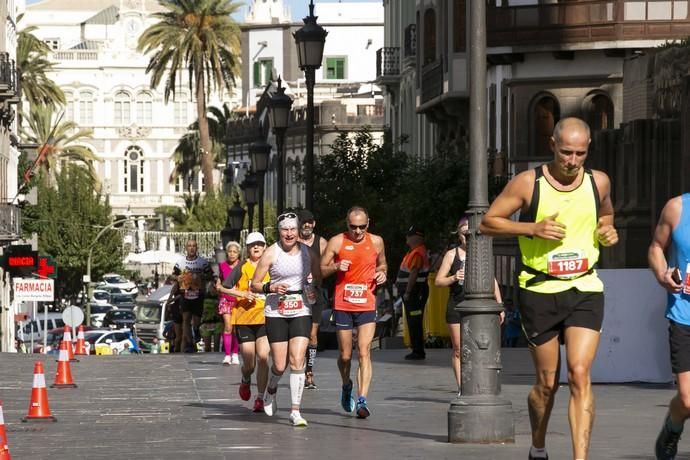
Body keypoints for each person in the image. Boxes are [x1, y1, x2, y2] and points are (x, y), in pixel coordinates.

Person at [479, 117, 618, 460]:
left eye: (580, 154)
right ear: (553, 145)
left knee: (580, 373)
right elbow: (486, 222)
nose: (572, 161)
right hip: (539, 290)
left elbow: (606, 215)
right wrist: (532, 228)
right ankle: (538, 444)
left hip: (585, 285)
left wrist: (607, 231)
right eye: (566, 152)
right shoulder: (528, 183)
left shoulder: (598, 181)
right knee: (547, 383)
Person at [251, 212, 321, 427]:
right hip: (276, 310)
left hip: (301, 308)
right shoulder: (271, 253)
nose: (289, 234)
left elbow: (317, 278)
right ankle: (271, 388)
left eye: (292, 229)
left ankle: (295, 411)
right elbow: (254, 284)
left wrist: (312, 290)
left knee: (297, 360)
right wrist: (270, 287)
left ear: (298, 230)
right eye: (285, 230)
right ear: (278, 231)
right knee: (280, 365)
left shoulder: (309, 253)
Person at [321, 206, 387, 418]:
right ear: (346, 224)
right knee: (346, 355)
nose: (358, 231)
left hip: (367, 303)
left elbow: (383, 264)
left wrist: (382, 274)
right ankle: (346, 384)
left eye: (362, 227)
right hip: (343, 304)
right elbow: (320, 270)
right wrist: (336, 266)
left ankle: (362, 400)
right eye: (353, 227)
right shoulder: (337, 241)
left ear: (368, 223)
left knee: (365, 351)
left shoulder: (376, 241)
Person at [434, 215, 503, 396]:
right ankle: (462, 387)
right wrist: (453, 277)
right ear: (459, 235)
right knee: (459, 348)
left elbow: (492, 279)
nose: (467, 238)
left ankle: (479, 383)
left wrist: (500, 304)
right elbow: (438, 281)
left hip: (479, 306)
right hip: (457, 305)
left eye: (470, 234)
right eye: (464, 235)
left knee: (480, 346)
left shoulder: (482, 253)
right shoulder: (452, 254)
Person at [648, 194, 690, 459]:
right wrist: (662, 273)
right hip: (684, 313)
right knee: (687, 399)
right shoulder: (678, 208)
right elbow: (655, 248)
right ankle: (672, 428)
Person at [217, 232, 270, 413]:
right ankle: (246, 379)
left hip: (265, 318)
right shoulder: (242, 266)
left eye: (259, 244)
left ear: (264, 247)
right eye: (252, 245)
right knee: (250, 364)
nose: (256, 248)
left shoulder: (272, 267)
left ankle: (260, 398)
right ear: (247, 248)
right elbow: (222, 287)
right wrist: (242, 294)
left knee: (263, 357)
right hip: (244, 319)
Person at [297, 208, 328, 390]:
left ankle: (309, 371)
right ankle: (297, 368)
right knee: (298, 334)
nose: (306, 225)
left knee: (312, 335)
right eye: (303, 222)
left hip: (314, 293)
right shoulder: (292, 242)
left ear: (314, 224)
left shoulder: (321, 242)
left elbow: (327, 267)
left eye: (309, 222)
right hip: (295, 295)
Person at [173, 240, 215, 353]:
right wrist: (180, 278)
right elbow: (174, 276)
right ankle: (190, 342)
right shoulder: (180, 262)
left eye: (194, 246)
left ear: (196, 248)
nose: (191, 248)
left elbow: (211, 275)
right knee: (186, 319)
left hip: (198, 295)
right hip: (185, 295)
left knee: (196, 321)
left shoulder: (202, 262)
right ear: (186, 248)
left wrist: (200, 276)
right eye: (189, 246)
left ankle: (196, 331)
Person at [396, 225, 430, 360]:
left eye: (409, 236)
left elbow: (414, 273)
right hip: (414, 293)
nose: (407, 238)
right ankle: (417, 349)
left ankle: (418, 351)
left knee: (415, 320)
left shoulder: (417, 253)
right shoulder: (414, 251)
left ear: (417, 237)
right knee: (413, 320)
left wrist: (408, 292)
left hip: (415, 293)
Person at [218, 241, 241, 365]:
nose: (232, 254)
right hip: (226, 299)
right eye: (230, 251)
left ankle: (235, 354)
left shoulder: (243, 265)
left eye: (235, 252)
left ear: (239, 253)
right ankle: (227, 355)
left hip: (239, 300)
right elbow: (219, 280)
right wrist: (217, 286)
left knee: (236, 329)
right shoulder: (222, 266)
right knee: (228, 327)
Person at [163, 275, 183, 353]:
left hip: (180, 309)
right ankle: (177, 348)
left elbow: (170, 298)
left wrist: (170, 302)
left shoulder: (178, 285)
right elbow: (171, 297)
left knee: (181, 333)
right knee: (179, 334)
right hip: (179, 309)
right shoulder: (177, 286)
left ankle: (178, 348)